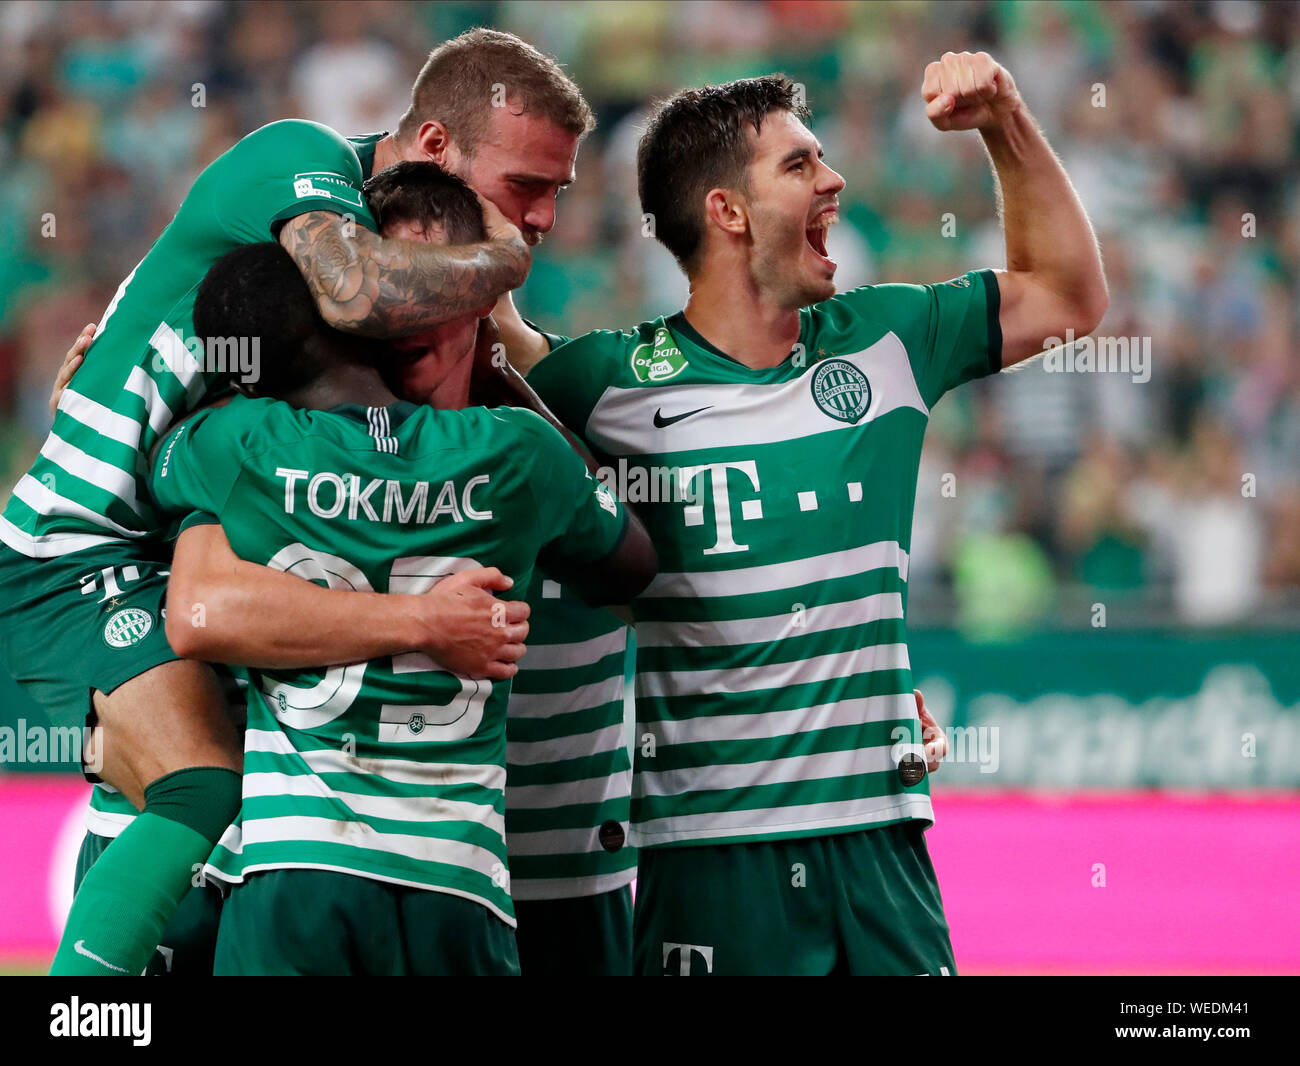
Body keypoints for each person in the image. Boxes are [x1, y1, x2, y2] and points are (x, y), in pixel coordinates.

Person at [500, 55, 1107, 974]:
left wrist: (1005, 119)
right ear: (726, 211)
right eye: (799, 165)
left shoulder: (892, 338)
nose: (835, 180)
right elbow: (465, 339)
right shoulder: (607, 382)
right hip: (710, 857)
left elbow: (1069, 298)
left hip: (882, 844)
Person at [9, 26, 589, 976]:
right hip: (83, 543)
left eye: (559, 192)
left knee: (228, 841)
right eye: (527, 186)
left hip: (181, 524)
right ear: (435, 146)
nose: (544, 218)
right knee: (200, 788)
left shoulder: (372, 256)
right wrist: (498, 269)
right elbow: (358, 292)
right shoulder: (302, 162)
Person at [150, 192, 654, 973]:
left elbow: (157, 473)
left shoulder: (238, 444)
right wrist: (504, 374)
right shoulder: (513, 452)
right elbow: (630, 561)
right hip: (459, 884)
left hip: (297, 872)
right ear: (349, 316)